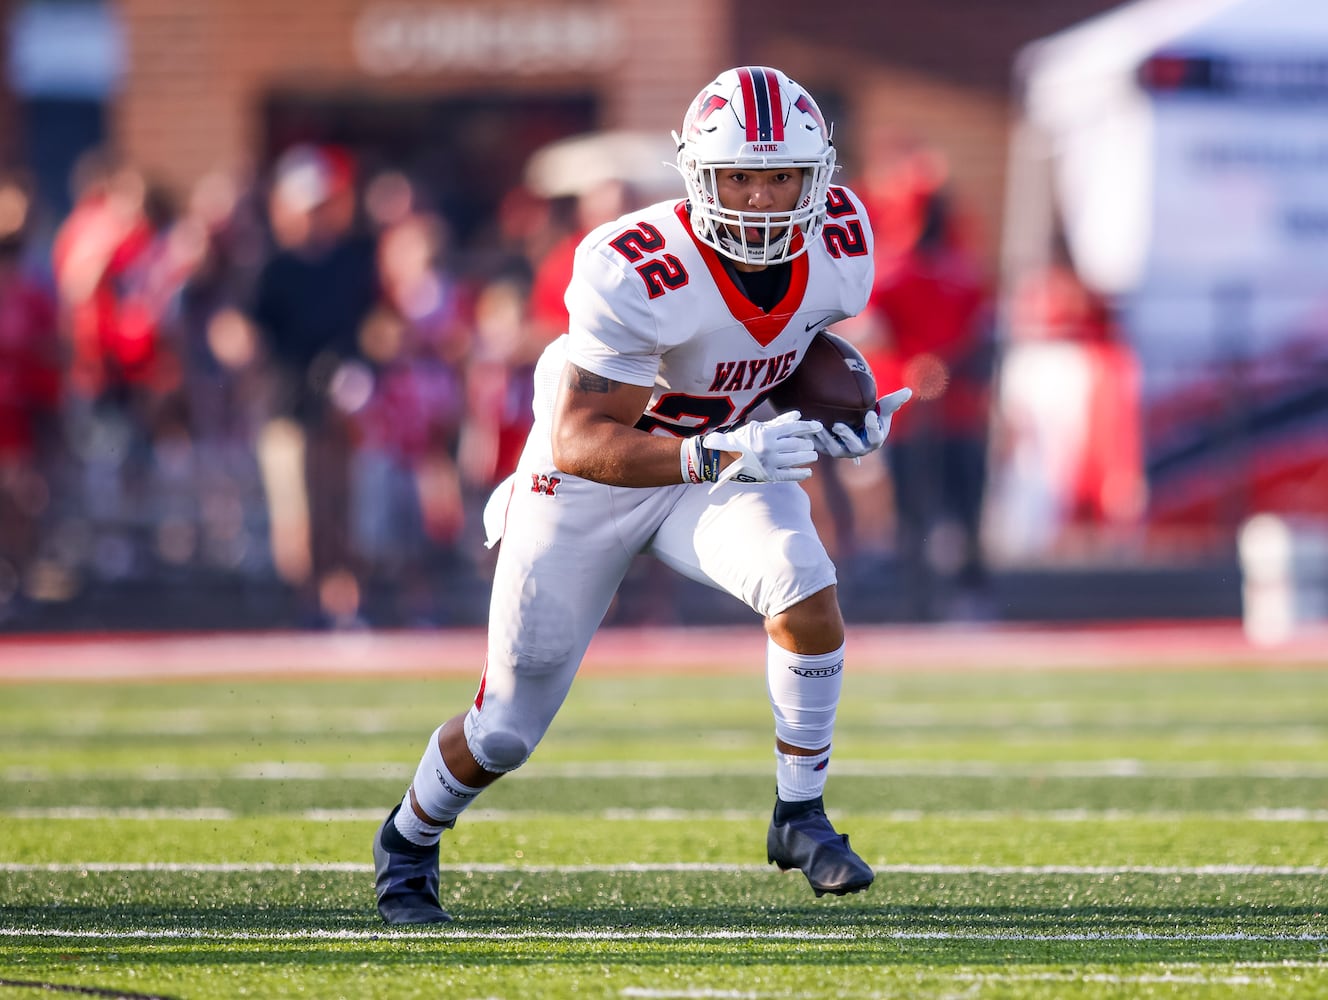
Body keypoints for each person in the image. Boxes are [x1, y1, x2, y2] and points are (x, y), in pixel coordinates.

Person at [372, 65, 911, 923]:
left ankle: (799, 814)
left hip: (720, 458)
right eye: (741, 176)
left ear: (820, 178)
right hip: (590, 479)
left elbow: (791, 344)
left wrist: (847, 410)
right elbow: (582, 438)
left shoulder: (842, 239)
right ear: (699, 178)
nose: (765, 200)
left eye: (783, 178)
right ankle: (409, 836)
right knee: (506, 728)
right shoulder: (634, 267)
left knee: (801, 577)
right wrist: (719, 451)